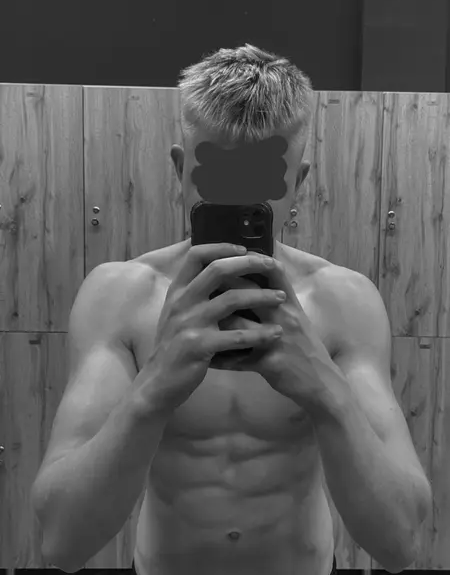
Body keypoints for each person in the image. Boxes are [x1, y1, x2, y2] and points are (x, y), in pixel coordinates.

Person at [31, 43, 432, 575]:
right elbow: (61, 543)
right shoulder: (121, 297)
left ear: (299, 184)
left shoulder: (344, 303)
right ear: (181, 170)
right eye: (218, 177)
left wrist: (324, 390)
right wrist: (154, 388)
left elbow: (401, 544)